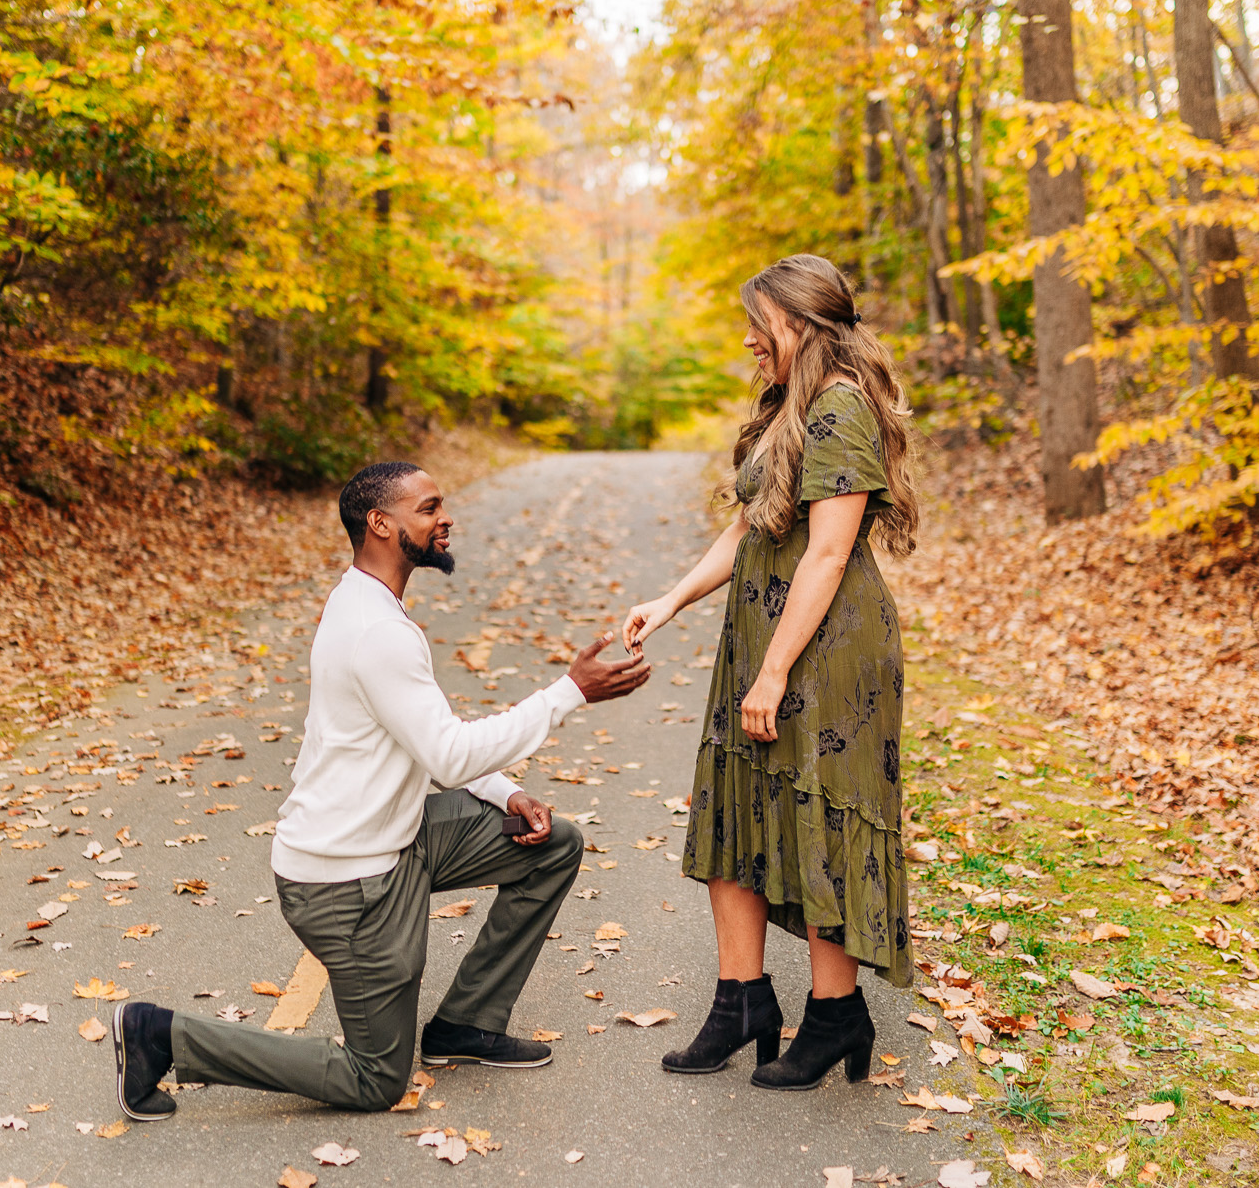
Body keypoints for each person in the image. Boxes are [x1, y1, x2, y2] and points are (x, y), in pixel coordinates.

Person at [112, 461, 650, 1120]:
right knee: (377, 1080)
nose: (444, 517)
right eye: (428, 508)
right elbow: (446, 753)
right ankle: (159, 1034)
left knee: (550, 843)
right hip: (348, 883)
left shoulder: (368, 603)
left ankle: (465, 1024)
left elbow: (425, 735)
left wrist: (505, 791)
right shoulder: (377, 630)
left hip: (394, 839)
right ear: (381, 523)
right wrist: (570, 692)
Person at [625, 255, 919, 1091]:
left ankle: (836, 1015)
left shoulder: (841, 408)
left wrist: (776, 671)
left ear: (800, 320)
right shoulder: (792, 408)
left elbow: (826, 556)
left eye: (761, 321)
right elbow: (753, 529)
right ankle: (741, 1000)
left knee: (819, 811)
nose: (750, 338)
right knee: (737, 804)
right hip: (764, 633)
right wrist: (671, 598)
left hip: (825, 649)